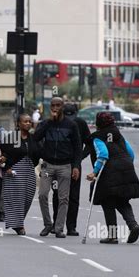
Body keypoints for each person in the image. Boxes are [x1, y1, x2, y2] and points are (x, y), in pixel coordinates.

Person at [86, 112, 139, 244]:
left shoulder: (97, 137)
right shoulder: (118, 134)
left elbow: (103, 154)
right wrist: (125, 166)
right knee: (122, 200)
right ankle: (133, 225)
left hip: (109, 173)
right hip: (126, 169)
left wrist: (94, 172)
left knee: (108, 202)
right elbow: (131, 153)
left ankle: (112, 236)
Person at [33, 97, 81, 238]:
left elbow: (78, 147)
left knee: (63, 198)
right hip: (48, 166)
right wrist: (48, 122)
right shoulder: (46, 123)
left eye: (58, 105)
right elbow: (36, 137)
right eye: (53, 105)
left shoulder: (71, 125)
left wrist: (76, 166)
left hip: (65, 166)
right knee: (42, 194)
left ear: (63, 107)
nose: (55, 108)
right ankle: (48, 224)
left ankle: (59, 228)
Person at [52, 103, 91, 236]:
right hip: (59, 163)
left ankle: (70, 226)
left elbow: (89, 143)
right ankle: (58, 224)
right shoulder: (56, 122)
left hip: (73, 164)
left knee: (71, 196)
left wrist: (80, 158)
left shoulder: (80, 123)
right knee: (59, 194)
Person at [0, 114, 40, 235]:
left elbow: (37, 153)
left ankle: (18, 222)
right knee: (16, 199)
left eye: (29, 121)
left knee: (28, 197)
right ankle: (18, 225)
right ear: (18, 124)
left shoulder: (33, 138)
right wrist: (6, 167)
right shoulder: (11, 137)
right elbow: (2, 154)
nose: (28, 123)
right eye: (25, 121)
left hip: (29, 169)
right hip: (14, 171)